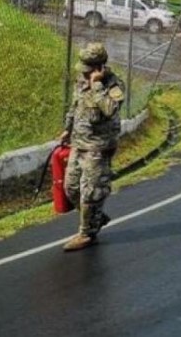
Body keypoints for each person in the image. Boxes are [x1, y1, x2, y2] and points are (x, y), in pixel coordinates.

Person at [59, 43, 125, 251]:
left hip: (98, 147)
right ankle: (95, 216)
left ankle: (86, 234)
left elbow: (109, 110)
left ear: (99, 67)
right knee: (70, 188)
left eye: (89, 68)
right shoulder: (82, 80)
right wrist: (67, 128)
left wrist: (97, 85)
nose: (84, 72)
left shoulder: (114, 85)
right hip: (79, 142)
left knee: (90, 192)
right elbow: (75, 104)